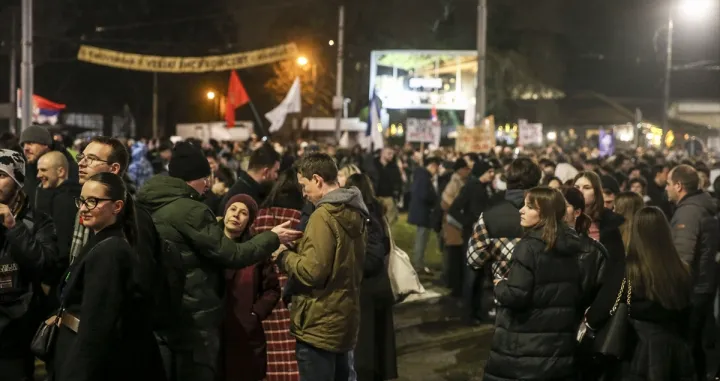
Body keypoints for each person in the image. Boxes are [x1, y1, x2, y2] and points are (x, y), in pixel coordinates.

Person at [136, 141, 301, 381]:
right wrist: (273, 237)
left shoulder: (150, 201)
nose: (208, 185)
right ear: (196, 178)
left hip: (164, 311)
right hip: (194, 318)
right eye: (206, 178)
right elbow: (232, 255)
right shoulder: (192, 210)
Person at [52, 172, 164, 381]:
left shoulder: (110, 251)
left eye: (93, 201)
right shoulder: (103, 242)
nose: (84, 208)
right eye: (82, 200)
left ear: (117, 206)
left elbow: (98, 326)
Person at [274, 153, 368, 381]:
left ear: (317, 179)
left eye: (304, 186)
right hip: (342, 319)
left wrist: (282, 255)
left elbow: (312, 271)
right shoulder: (355, 210)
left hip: (318, 323)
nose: (304, 194)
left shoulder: (323, 215)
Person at [483, 187, 583, 381]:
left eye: (529, 207)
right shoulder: (572, 246)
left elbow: (516, 295)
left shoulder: (529, 248)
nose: (521, 210)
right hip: (557, 345)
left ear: (545, 213)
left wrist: (500, 284)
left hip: (525, 345)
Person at [585, 207, 695, 380]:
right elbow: (689, 316)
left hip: (635, 351)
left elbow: (602, 309)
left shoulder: (627, 270)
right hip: (674, 353)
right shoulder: (682, 270)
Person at [0, 149, 57, 381]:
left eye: (1, 175)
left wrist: (14, 227)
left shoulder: (38, 222)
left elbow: (45, 265)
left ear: (17, 181)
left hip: (14, 332)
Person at [466, 157, 541, 322]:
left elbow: (474, 259)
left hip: (504, 297)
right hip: (542, 299)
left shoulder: (490, 216)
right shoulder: (549, 214)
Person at [251, 168, 305, 381]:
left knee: (271, 353)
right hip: (294, 296)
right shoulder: (302, 220)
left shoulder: (260, 218)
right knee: (294, 354)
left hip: (265, 295)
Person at [666, 164, 718, 380]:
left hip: (693, 290)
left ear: (678, 186)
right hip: (704, 286)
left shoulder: (688, 213)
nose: (666, 188)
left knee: (688, 345)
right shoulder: (700, 207)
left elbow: (683, 259)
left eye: (669, 184)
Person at [222, 194, 280, 381]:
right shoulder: (210, 245)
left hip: (246, 336)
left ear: (249, 221)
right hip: (215, 333)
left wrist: (255, 314)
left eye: (243, 212)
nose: (236, 215)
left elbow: (272, 289)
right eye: (233, 209)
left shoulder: (256, 252)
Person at [345, 173, 397, 381]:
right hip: (375, 288)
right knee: (376, 345)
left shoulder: (366, 216)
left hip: (368, 288)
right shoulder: (375, 213)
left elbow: (373, 256)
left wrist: (348, 266)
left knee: (366, 349)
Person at [20, 124, 79, 208]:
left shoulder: (70, 168)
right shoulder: (26, 169)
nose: (25, 148)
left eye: (31, 143)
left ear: (46, 145)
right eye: (23, 145)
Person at [574, 171, 626, 262]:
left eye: (587, 187)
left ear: (597, 192)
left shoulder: (611, 222)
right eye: (576, 187)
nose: (580, 191)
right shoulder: (564, 219)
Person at [220, 143, 281, 212]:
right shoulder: (246, 199)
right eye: (276, 171)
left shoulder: (245, 188)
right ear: (266, 172)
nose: (277, 176)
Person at [408, 156, 442, 274]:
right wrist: (434, 199)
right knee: (421, 238)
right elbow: (424, 195)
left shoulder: (422, 175)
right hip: (423, 212)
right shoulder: (424, 177)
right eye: (437, 167)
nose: (437, 170)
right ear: (433, 165)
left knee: (421, 238)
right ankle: (418, 264)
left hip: (421, 212)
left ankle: (419, 263)